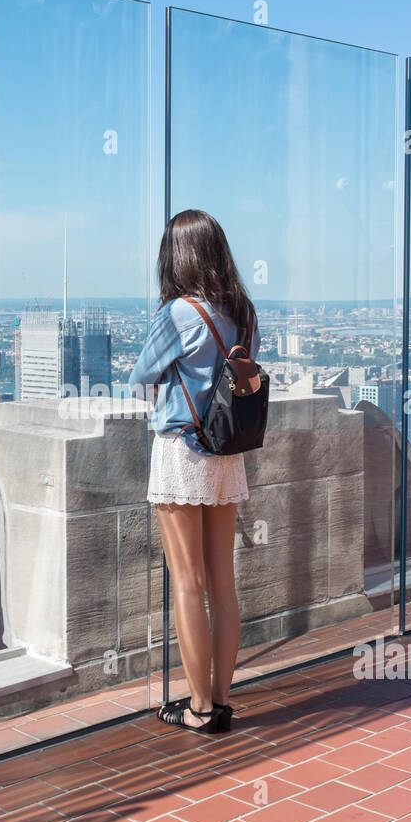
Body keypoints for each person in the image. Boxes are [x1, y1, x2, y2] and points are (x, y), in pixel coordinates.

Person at [128, 209, 260, 735]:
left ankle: (199, 709)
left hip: (183, 452)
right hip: (228, 451)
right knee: (223, 584)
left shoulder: (177, 314)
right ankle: (222, 699)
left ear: (177, 257)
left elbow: (141, 376)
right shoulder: (243, 312)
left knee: (188, 584)